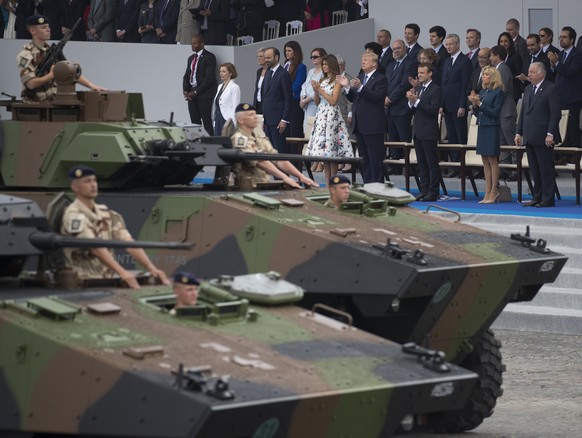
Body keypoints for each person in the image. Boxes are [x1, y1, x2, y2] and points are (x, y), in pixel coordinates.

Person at [61, 165, 170, 289]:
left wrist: (151, 267)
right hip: (82, 283)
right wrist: (122, 272)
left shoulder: (106, 213)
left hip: (105, 281)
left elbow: (128, 243)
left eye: (94, 180)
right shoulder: (73, 215)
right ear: (75, 187)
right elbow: (95, 247)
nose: (93, 185)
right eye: (87, 181)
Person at [17, 15, 105, 103]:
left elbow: (70, 72)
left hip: (53, 101)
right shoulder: (26, 54)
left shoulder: (50, 51)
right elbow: (31, 84)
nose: (48, 29)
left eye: (48, 26)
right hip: (34, 105)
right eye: (43, 27)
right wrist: (51, 74)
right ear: (33, 31)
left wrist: (91, 86)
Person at [230, 103, 318, 189]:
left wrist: (301, 176)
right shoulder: (239, 139)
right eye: (251, 115)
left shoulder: (259, 139)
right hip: (245, 188)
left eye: (255, 114)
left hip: (262, 185)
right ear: (241, 120)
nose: (255, 117)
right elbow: (261, 162)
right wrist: (285, 177)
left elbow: (277, 159)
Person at [515, 62, 561, 208]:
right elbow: (523, 113)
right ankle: (537, 197)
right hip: (529, 135)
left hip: (543, 136)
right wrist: (518, 132)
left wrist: (550, 133)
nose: (529, 74)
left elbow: (555, 114)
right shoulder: (528, 88)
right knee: (534, 170)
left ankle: (547, 199)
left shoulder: (551, 88)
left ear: (542, 74)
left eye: (532, 72)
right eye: (529, 71)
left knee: (545, 169)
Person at [305, 54, 354, 185]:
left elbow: (333, 101)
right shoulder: (322, 80)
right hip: (321, 114)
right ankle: (327, 183)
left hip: (331, 115)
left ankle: (334, 182)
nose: (324, 67)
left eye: (326, 64)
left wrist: (320, 89)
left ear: (332, 65)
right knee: (324, 153)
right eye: (323, 64)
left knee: (331, 151)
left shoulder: (337, 81)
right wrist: (316, 91)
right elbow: (316, 102)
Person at [339, 52, 387, 183]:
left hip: (373, 125)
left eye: (366, 60)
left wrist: (360, 87)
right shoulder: (360, 77)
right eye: (362, 59)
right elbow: (354, 98)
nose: (363, 62)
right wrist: (347, 87)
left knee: (375, 159)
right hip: (359, 124)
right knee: (363, 158)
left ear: (374, 63)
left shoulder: (380, 79)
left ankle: (377, 187)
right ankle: (367, 184)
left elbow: (377, 97)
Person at [406, 63, 443, 202]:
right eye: (418, 72)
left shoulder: (436, 89)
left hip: (429, 131)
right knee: (421, 163)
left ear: (430, 74)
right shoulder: (419, 88)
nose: (419, 75)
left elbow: (433, 110)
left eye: (422, 72)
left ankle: (433, 192)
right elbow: (414, 109)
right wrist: (411, 101)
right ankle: (424, 189)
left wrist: (416, 101)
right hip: (418, 130)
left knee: (431, 163)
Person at [468, 66, 504, 204]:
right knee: (484, 160)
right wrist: (475, 105)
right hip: (482, 126)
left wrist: (480, 103)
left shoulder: (498, 92)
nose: (483, 76)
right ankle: (487, 191)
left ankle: (494, 191)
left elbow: (495, 112)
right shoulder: (483, 91)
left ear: (493, 77)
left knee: (492, 159)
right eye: (483, 74)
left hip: (492, 127)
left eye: (486, 74)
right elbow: (479, 112)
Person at [441, 33, 473, 170]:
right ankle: (454, 165)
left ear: (458, 44)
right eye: (446, 44)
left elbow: (465, 85)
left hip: (458, 105)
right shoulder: (446, 61)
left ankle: (463, 166)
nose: (448, 47)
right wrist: (441, 104)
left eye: (451, 44)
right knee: (451, 137)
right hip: (447, 105)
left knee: (460, 136)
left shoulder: (464, 61)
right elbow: (443, 84)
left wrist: (462, 105)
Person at [547, 26, 582, 148]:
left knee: (572, 128)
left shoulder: (578, 54)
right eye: (560, 37)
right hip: (559, 97)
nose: (561, 40)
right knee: (559, 128)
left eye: (564, 37)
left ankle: (575, 157)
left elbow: (571, 72)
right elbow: (554, 74)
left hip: (572, 97)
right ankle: (563, 155)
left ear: (572, 40)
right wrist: (552, 65)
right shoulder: (560, 54)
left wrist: (556, 62)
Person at [182, 34, 217, 135]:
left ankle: (210, 143)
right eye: (192, 43)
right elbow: (186, 76)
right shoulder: (190, 58)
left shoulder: (209, 57)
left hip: (204, 93)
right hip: (192, 93)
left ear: (202, 44)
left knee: (206, 121)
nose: (192, 45)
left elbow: (209, 79)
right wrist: (186, 91)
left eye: (195, 43)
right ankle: (197, 142)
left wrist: (196, 92)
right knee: (194, 121)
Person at [261, 47, 292, 154]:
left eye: (269, 57)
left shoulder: (283, 74)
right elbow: (266, 97)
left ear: (276, 57)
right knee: (270, 150)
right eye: (265, 58)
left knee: (279, 150)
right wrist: (263, 119)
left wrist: (284, 119)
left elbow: (288, 98)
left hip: (278, 121)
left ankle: (282, 170)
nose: (266, 60)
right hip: (268, 121)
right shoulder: (268, 73)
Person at [300, 47, 327, 136]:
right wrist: (302, 97)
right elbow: (304, 85)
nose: (313, 59)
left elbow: (320, 88)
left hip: (315, 104)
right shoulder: (311, 71)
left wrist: (306, 100)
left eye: (315, 57)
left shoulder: (324, 72)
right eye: (311, 57)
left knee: (314, 129)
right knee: (306, 130)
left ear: (322, 57)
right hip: (306, 105)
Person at [284, 41, 307, 138]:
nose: (287, 53)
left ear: (295, 52)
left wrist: (286, 93)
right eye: (286, 51)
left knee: (294, 129)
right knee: (287, 130)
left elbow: (298, 84)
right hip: (286, 101)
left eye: (289, 51)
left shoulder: (301, 67)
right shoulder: (286, 65)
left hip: (294, 101)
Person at [213, 62, 240, 135]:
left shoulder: (234, 87)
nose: (221, 73)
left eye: (224, 71)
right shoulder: (219, 86)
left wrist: (234, 123)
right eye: (220, 71)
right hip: (218, 117)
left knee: (226, 141)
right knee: (217, 141)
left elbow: (235, 107)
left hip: (227, 119)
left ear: (230, 73)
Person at [253, 47, 268, 113]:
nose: (259, 58)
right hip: (258, 104)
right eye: (258, 56)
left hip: (267, 105)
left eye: (261, 56)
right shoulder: (259, 71)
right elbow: (257, 90)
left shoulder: (271, 71)